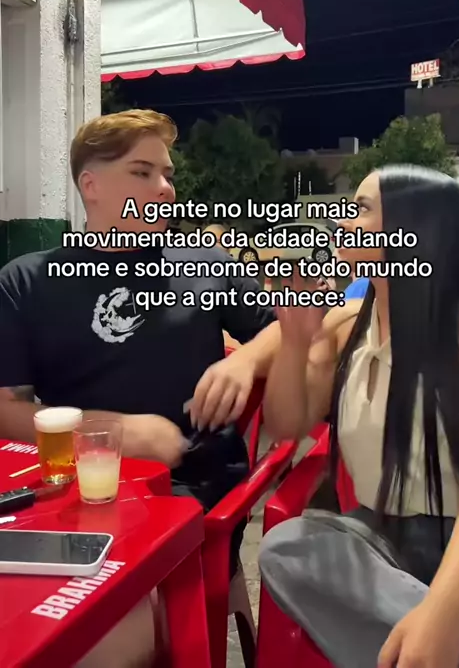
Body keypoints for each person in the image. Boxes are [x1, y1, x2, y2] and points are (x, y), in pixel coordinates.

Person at [0, 109, 279, 666]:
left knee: (97, 634)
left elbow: (281, 328)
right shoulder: (26, 281)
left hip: (184, 493)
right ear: (91, 185)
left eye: (167, 175)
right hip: (64, 495)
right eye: (142, 172)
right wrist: (112, 433)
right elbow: (6, 409)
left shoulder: (202, 261)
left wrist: (246, 360)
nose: (165, 189)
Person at [259, 165, 459, 668]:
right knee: (283, 548)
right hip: (376, 540)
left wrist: (446, 609)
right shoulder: (344, 325)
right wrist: (293, 343)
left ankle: (440, 633)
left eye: (360, 209)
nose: (342, 221)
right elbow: (287, 424)